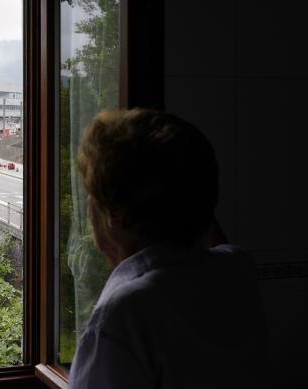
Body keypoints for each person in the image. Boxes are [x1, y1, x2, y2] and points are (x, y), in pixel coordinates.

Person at [68, 109, 269, 389]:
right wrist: (191, 193)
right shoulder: (237, 272)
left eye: (93, 196)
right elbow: (214, 237)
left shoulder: (123, 316)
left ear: (112, 216)